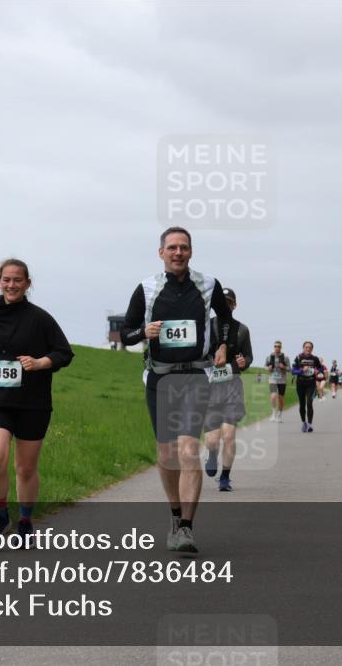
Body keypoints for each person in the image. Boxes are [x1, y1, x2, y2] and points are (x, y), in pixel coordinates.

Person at [120, 227, 234, 553]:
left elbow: (225, 319)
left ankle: (186, 527)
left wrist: (223, 343)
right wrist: (144, 331)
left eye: (184, 247)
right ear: (161, 253)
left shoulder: (209, 284)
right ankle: (174, 514)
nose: (178, 253)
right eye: (172, 248)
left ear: (191, 252)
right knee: (167, 454)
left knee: (187, 450)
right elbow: (126, 334)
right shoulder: (147, 288)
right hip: (159, 379)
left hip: (196, 376)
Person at [0, 258, 74, 542]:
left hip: (32, 401)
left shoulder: (40, 318)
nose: (11, 285)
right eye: (6, 279)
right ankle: (0, 516)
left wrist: (40, 363)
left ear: (27, 284)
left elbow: (64, 353)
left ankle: (25, 521)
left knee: (25, 468)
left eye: (17, 280)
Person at [204, 288, 253, 492]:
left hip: (232, 385)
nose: (226, 305)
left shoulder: (242, 330)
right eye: (222, 302)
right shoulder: (206, 327)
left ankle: (225, 477)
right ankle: (213, 455)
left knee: (229, 435)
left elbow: (249, 357)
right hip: (210, 388)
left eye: (229, 302)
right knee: (212, 440)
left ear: (234, 305)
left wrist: (243, 362)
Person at [293, 342, 323, 433]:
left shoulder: (315, 358)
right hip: (300, 383)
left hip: (311, 383)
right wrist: (302, 370)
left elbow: (321, 369)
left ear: (312, 349)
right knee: (302, 404)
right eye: (306, 347)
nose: (308, 349)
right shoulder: (298, 357)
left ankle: (310, 424)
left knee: (309, 402)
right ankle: (304, 423)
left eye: (310, 347)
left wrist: (317, 371)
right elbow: (293, 371)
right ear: (303, 348)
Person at [265, 341, 289, 422]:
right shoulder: (269, 357)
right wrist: (268, 368)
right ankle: (273, 413)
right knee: (273, 396)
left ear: (281, 347)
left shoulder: (285, 357)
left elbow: (289, 369)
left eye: (278, 346)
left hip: (282, 380)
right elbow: (265, 366)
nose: (277, 348)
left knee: (281, 398)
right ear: (274, 347)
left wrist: (284, 367)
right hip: (273, 379)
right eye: (275, 346)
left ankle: (280, 414)